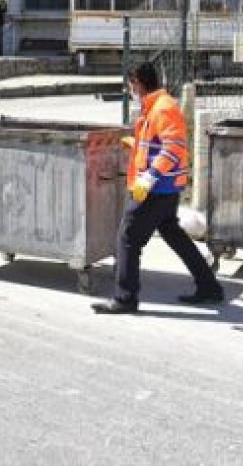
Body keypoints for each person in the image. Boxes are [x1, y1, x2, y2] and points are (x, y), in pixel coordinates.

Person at [92, 62, 224, 315]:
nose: (130, 90)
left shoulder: (162, 108)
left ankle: (125, 299)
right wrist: (137, 145)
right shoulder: (155, 106)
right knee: (174, 235)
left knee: (128, 239)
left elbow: (173, 148)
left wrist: (149, 176)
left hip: (155, 190)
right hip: (164, 189)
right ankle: (209, 286)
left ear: (138, 83)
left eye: (130, 85)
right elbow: (159, 143)